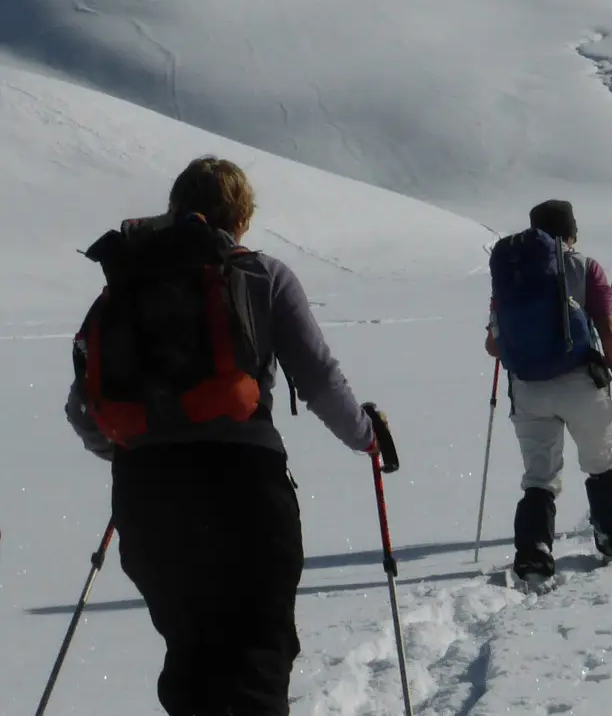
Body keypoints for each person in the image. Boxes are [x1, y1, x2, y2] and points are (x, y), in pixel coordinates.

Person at [64, 156, 393, 716]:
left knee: (191, 661)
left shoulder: (122, 287)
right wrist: (366, 435)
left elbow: (82, 409)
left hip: (146, 494)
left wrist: (135, 445)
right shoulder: (261, 275)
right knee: (255, 660)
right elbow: (317, 379)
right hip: (244, 488)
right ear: (240, 217)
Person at [486, 199, 612, 582]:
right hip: (580, 382)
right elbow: (609, 331)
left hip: (528, 389)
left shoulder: (513, 270)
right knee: (602, 463)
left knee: (539, 477)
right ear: (572, 230)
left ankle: (534, 552)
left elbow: (493, 345)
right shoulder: (586, 267)